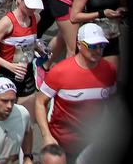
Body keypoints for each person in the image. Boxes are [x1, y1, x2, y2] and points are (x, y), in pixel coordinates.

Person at [33, 23, 116, 158]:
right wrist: (47, 136)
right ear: (78, 45)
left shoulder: (109, 70)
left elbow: (112, 102)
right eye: (92, 46)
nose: (98, 50)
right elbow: (40, 102)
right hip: (61, 144)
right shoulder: (60, 71)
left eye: (102, 46)